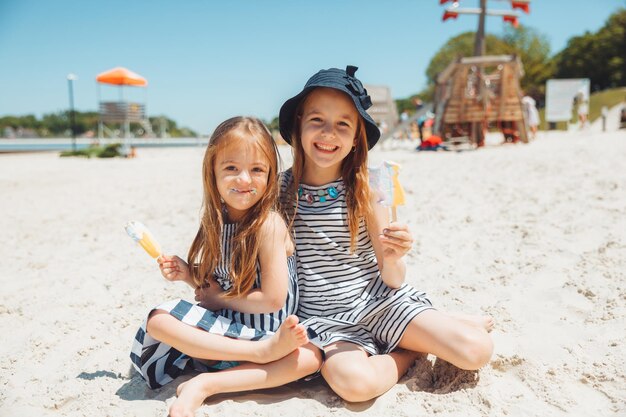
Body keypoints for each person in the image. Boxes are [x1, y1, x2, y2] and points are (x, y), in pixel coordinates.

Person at [274, 66, 494, 402]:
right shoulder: (279, 192)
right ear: (298, 123)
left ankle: (422, 329)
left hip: (381, 303)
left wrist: (393, 256)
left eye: (343, 124)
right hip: (325, 322)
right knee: (353, 385)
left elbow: (392, 279)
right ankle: (407, 353)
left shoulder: (365, 188)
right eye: (317, 120)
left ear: (356, 137)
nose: (329, 133)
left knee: (476, 350)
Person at [130, 116, 322, 417]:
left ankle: (208, 384)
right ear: (213, 173)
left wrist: (217, 299)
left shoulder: (268, 225)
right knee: (157, 320)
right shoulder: (217, 222)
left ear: (270, 175)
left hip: (267, 335)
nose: (244, 179)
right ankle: (247, 360)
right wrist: (189, 274)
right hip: (226, 338)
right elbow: (217, 284)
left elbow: (272, 299)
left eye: (256, 169)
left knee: (312, 358)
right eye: (231, 168)